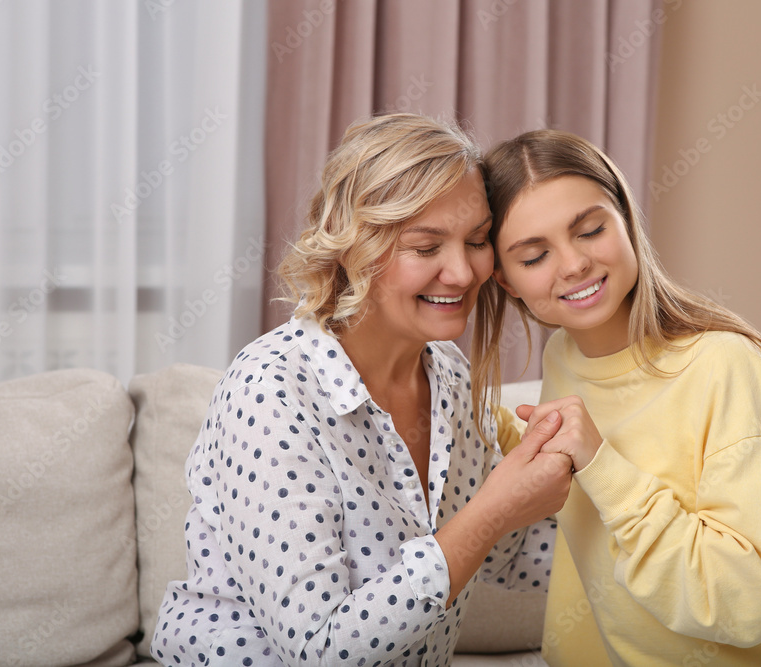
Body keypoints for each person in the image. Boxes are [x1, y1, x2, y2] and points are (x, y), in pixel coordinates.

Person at [151, 114, 575, 667]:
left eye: (476, 241)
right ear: (354, 247)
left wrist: (653, 534)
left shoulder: (448, 376)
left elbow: (508, 555)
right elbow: (318, 651)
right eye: (425, 248)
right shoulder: (271, 391)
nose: (462, 273)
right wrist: (496, 507)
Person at [472, 129, 761, 666]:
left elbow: (743, 604)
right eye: (534, 256)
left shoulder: (724, 367)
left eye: (592, 229)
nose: (573, 264)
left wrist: (602, 465)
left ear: (626, 220)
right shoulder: (564, 360)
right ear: (506, 282)